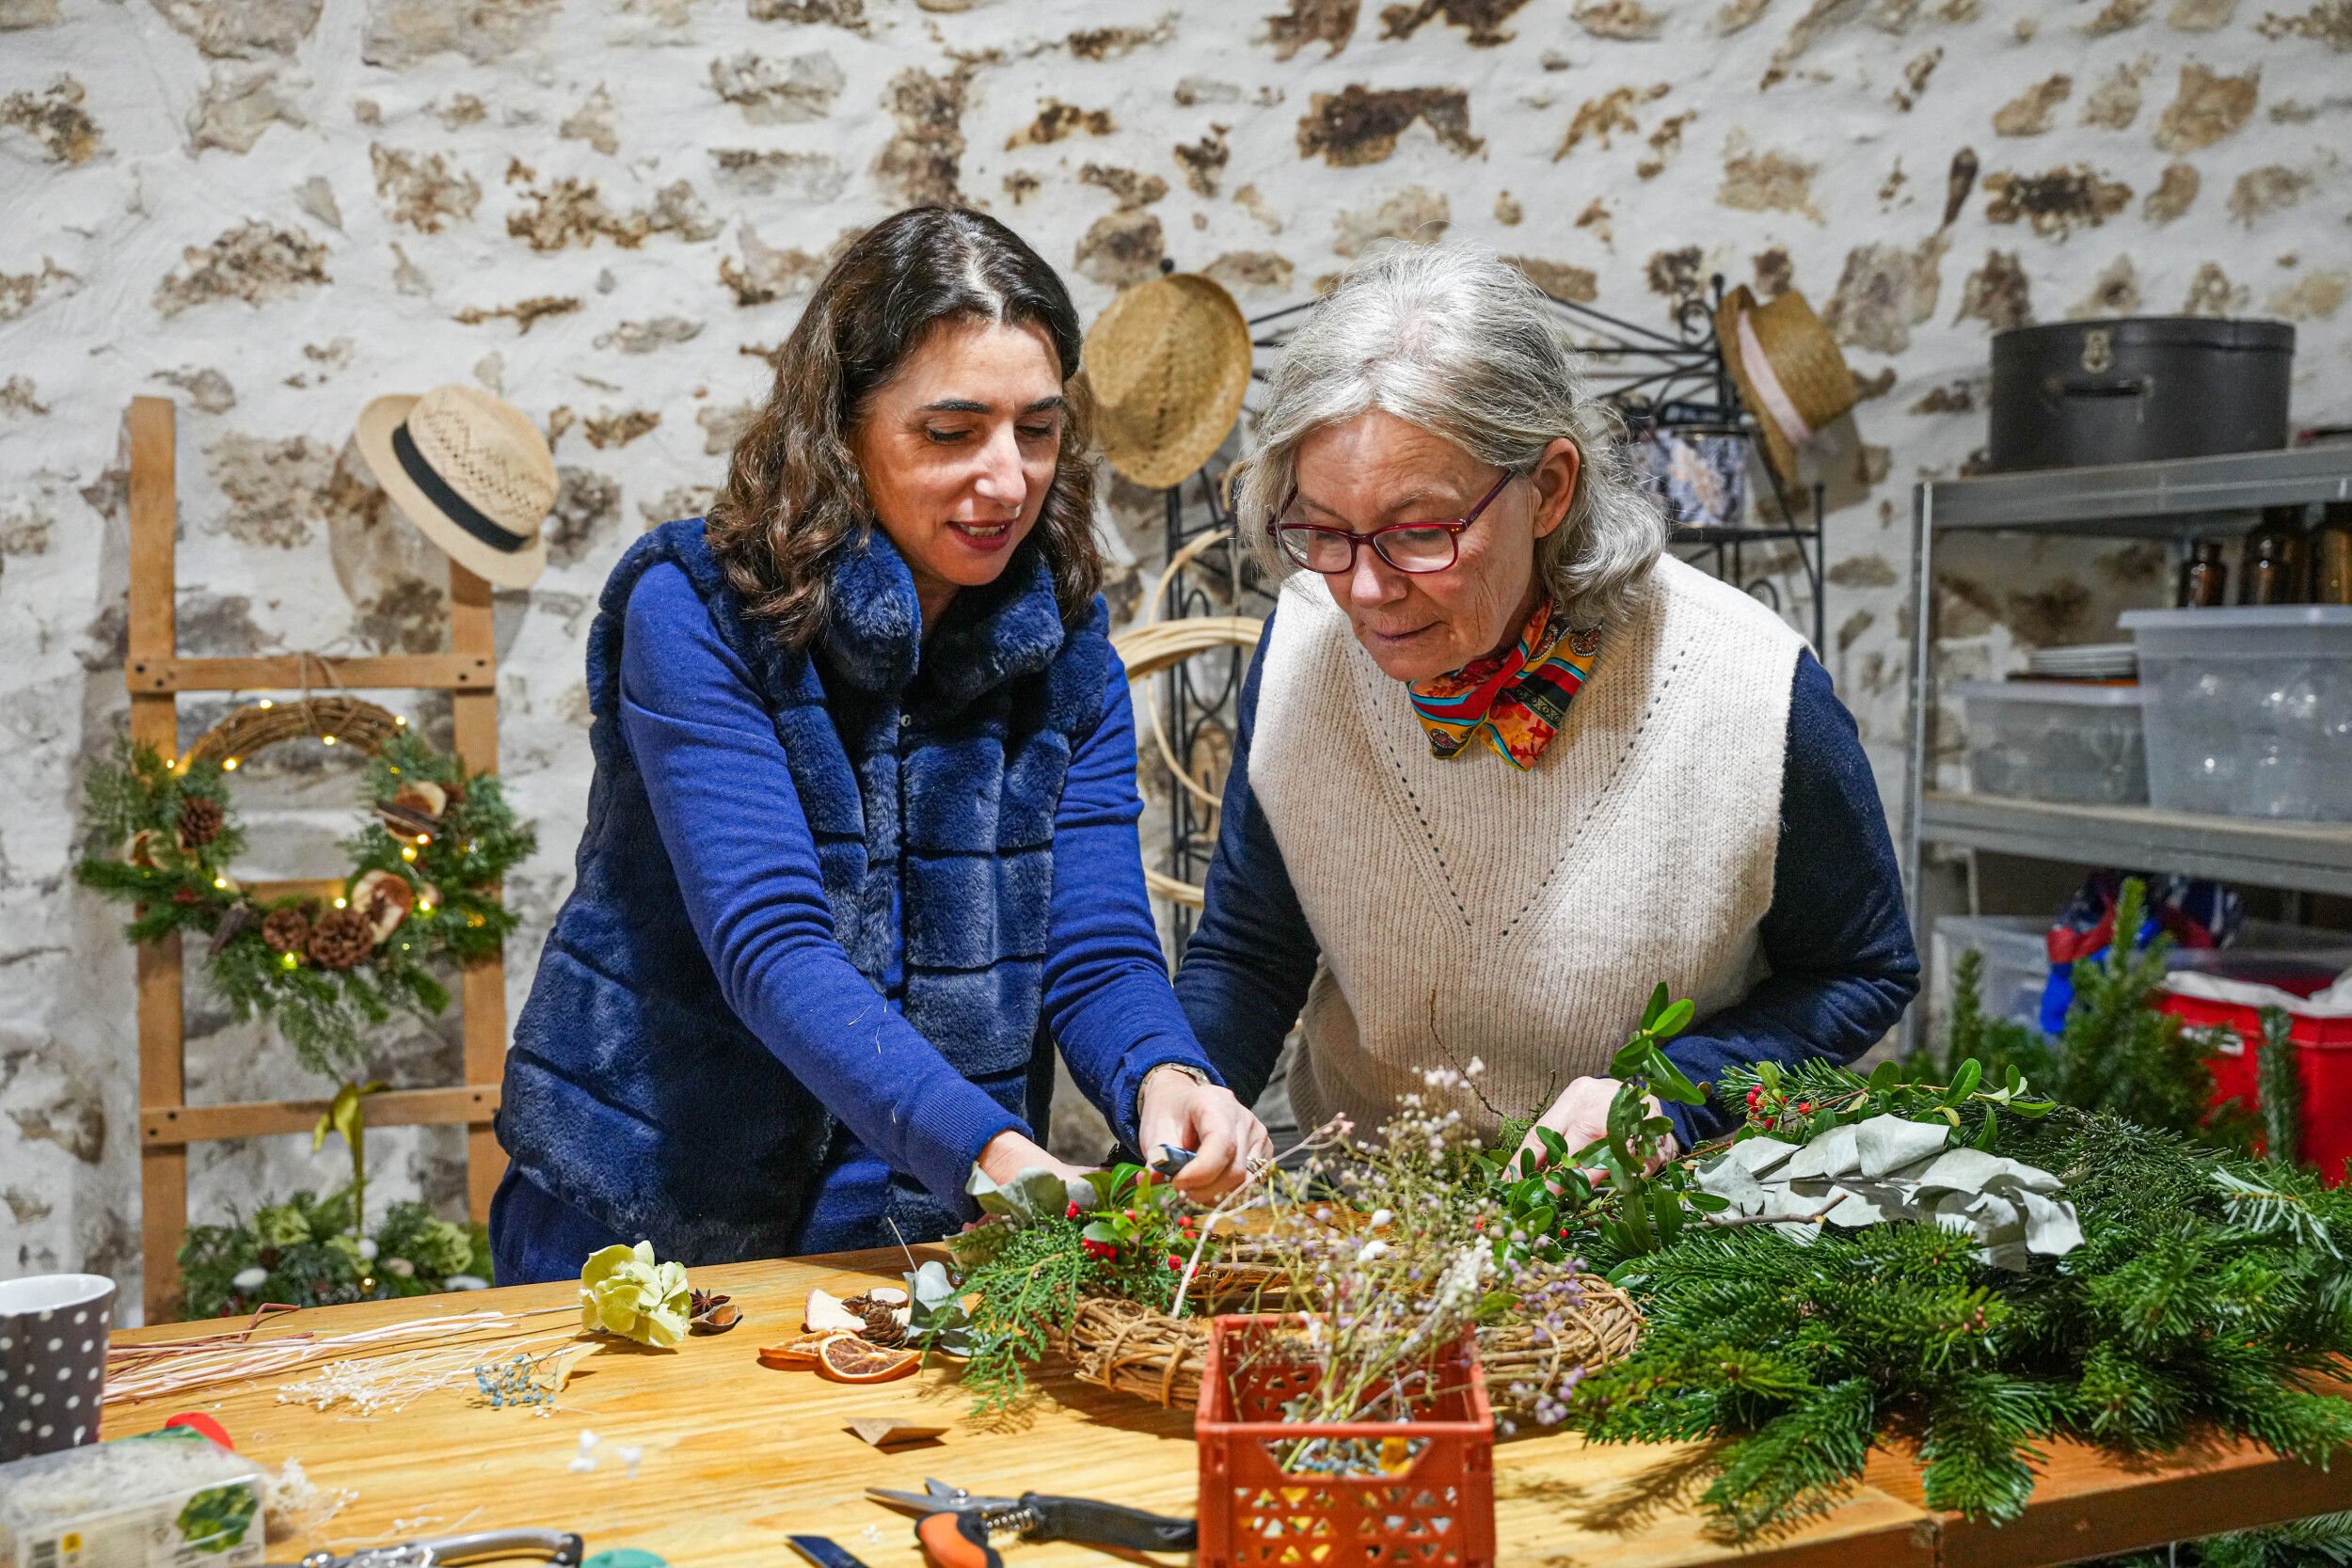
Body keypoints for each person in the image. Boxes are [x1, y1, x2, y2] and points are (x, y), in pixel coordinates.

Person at [492, 207, 1270, 1281]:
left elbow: (1093, 947)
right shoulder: (698, 610)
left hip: (919, 1227)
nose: (1006, 479)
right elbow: (772, 946)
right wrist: (994, 1156)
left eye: (1036, 430)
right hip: (654, 1212)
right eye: (950, 433)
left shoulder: (1064, 637)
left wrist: (1164, 1072)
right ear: (843, 426)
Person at [1172, 244, 1918, 1170]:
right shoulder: (1306, 652)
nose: (1362, 588)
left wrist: (1669, 1096)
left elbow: (1859, 969)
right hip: (1372, 1216)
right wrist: (1189, 1092)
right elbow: (1250, 950)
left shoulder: (1747, 687)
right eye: (1321, 530)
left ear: (1550, 488)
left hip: (1657, 1225)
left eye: (1418, 531)